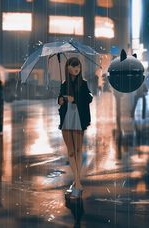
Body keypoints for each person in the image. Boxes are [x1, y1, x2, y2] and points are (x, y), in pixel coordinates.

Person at [58, 57, 93, 199]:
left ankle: (77, 182)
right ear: (67, 68)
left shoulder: (83, 83)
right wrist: (61, 99)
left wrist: (75, 99)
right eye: (72, 66)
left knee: (78, 150)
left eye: (77, 66)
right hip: (67, 118)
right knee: (71, 152)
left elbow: (89, 98)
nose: (75, 68)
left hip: (79, 118)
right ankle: (77, 181)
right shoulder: (64, 83)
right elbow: (60, 99)